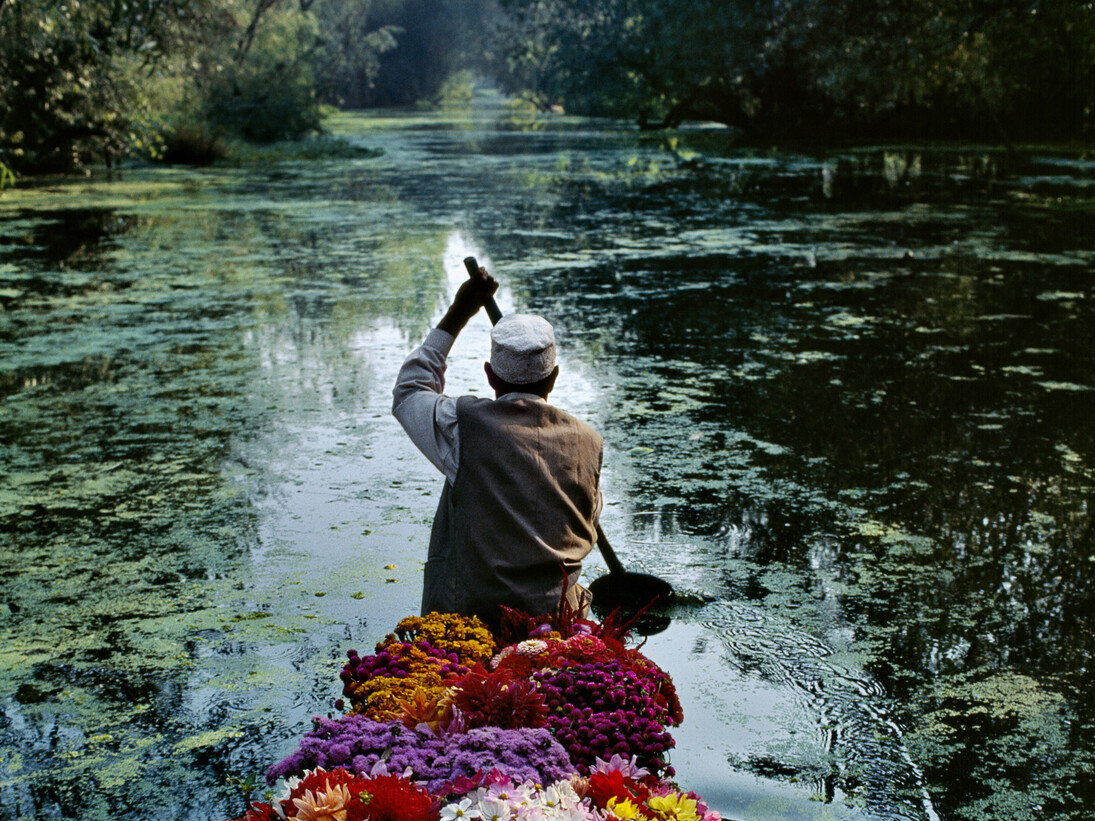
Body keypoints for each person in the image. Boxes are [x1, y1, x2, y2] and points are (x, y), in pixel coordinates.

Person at [392, 265, 602, 628]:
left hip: (470, 623)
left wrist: (460, 311)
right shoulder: (590, 442)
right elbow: (589, 520)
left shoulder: (461, 425)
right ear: (554, 376)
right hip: (557, 624)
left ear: (489, 375)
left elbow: (411, 390)